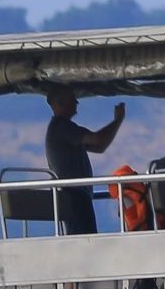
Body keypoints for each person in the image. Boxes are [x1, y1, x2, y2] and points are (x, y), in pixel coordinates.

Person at [44, 85, 126, 236]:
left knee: (85, 237)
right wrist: (118, 120)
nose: (77, 102)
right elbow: (98, 139)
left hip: (76, 195)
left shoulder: (62, 129)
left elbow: (100, 146)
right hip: (74, 195)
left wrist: (117, 121)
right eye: (72, 99)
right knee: (84, 239)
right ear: (61, 103)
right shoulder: (62, 127)